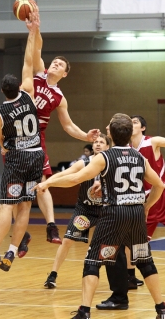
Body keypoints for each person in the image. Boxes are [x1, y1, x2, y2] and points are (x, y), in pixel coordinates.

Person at [34, 113, 165, 319]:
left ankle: (84, 312)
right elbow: (159, 185)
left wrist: (48, 183)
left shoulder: (104, 157)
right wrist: (146, 207)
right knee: (146, 262)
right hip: (136, 213)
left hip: (113, 214)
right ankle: (162, 310)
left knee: (93, 261)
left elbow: (75, 178)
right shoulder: (140, 157)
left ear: (111, 134)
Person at [17, 7, 100, 257]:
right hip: (16, 135)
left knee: (43, 183)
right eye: (55, 61)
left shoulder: (59, 96)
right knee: (14, 191)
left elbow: (68, 126)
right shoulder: (39, 74)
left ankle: (51, 226)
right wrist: (36, 28)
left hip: (36, 137)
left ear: (64, 74)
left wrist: (86, 136)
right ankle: (21, 235)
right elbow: (37, 50)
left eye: (61, 64)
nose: (56, 63)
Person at [0, 10, 44, 272]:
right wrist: (32, 30)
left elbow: (1, 137)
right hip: (37, 154)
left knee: (6, 206)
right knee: (25, 206)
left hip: (16, 159)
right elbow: (28, 61)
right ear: (20, 87)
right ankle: (11, 252)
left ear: (3, 91)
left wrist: (4, 146)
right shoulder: (29, 94)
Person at [97, 114, 165, 310]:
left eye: (136, 121)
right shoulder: (126, 151)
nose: (132, 124)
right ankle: (130, 279)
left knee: (127, 247)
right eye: (131, 122)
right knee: (134, 247)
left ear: (142, 128)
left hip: (156, 196)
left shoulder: (152, 142)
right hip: (140, 203)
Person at [44, 134, 110, 289]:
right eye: (95, 142)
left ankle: (125, 276)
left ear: (108, 146)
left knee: (110, 245)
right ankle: (53, 274)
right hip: (85, 209)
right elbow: (67, 173)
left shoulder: (110, 162)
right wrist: (48, 182)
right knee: (67, 240)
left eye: (102, 142)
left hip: (105, 210)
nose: (98, 144)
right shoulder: (85, 162)